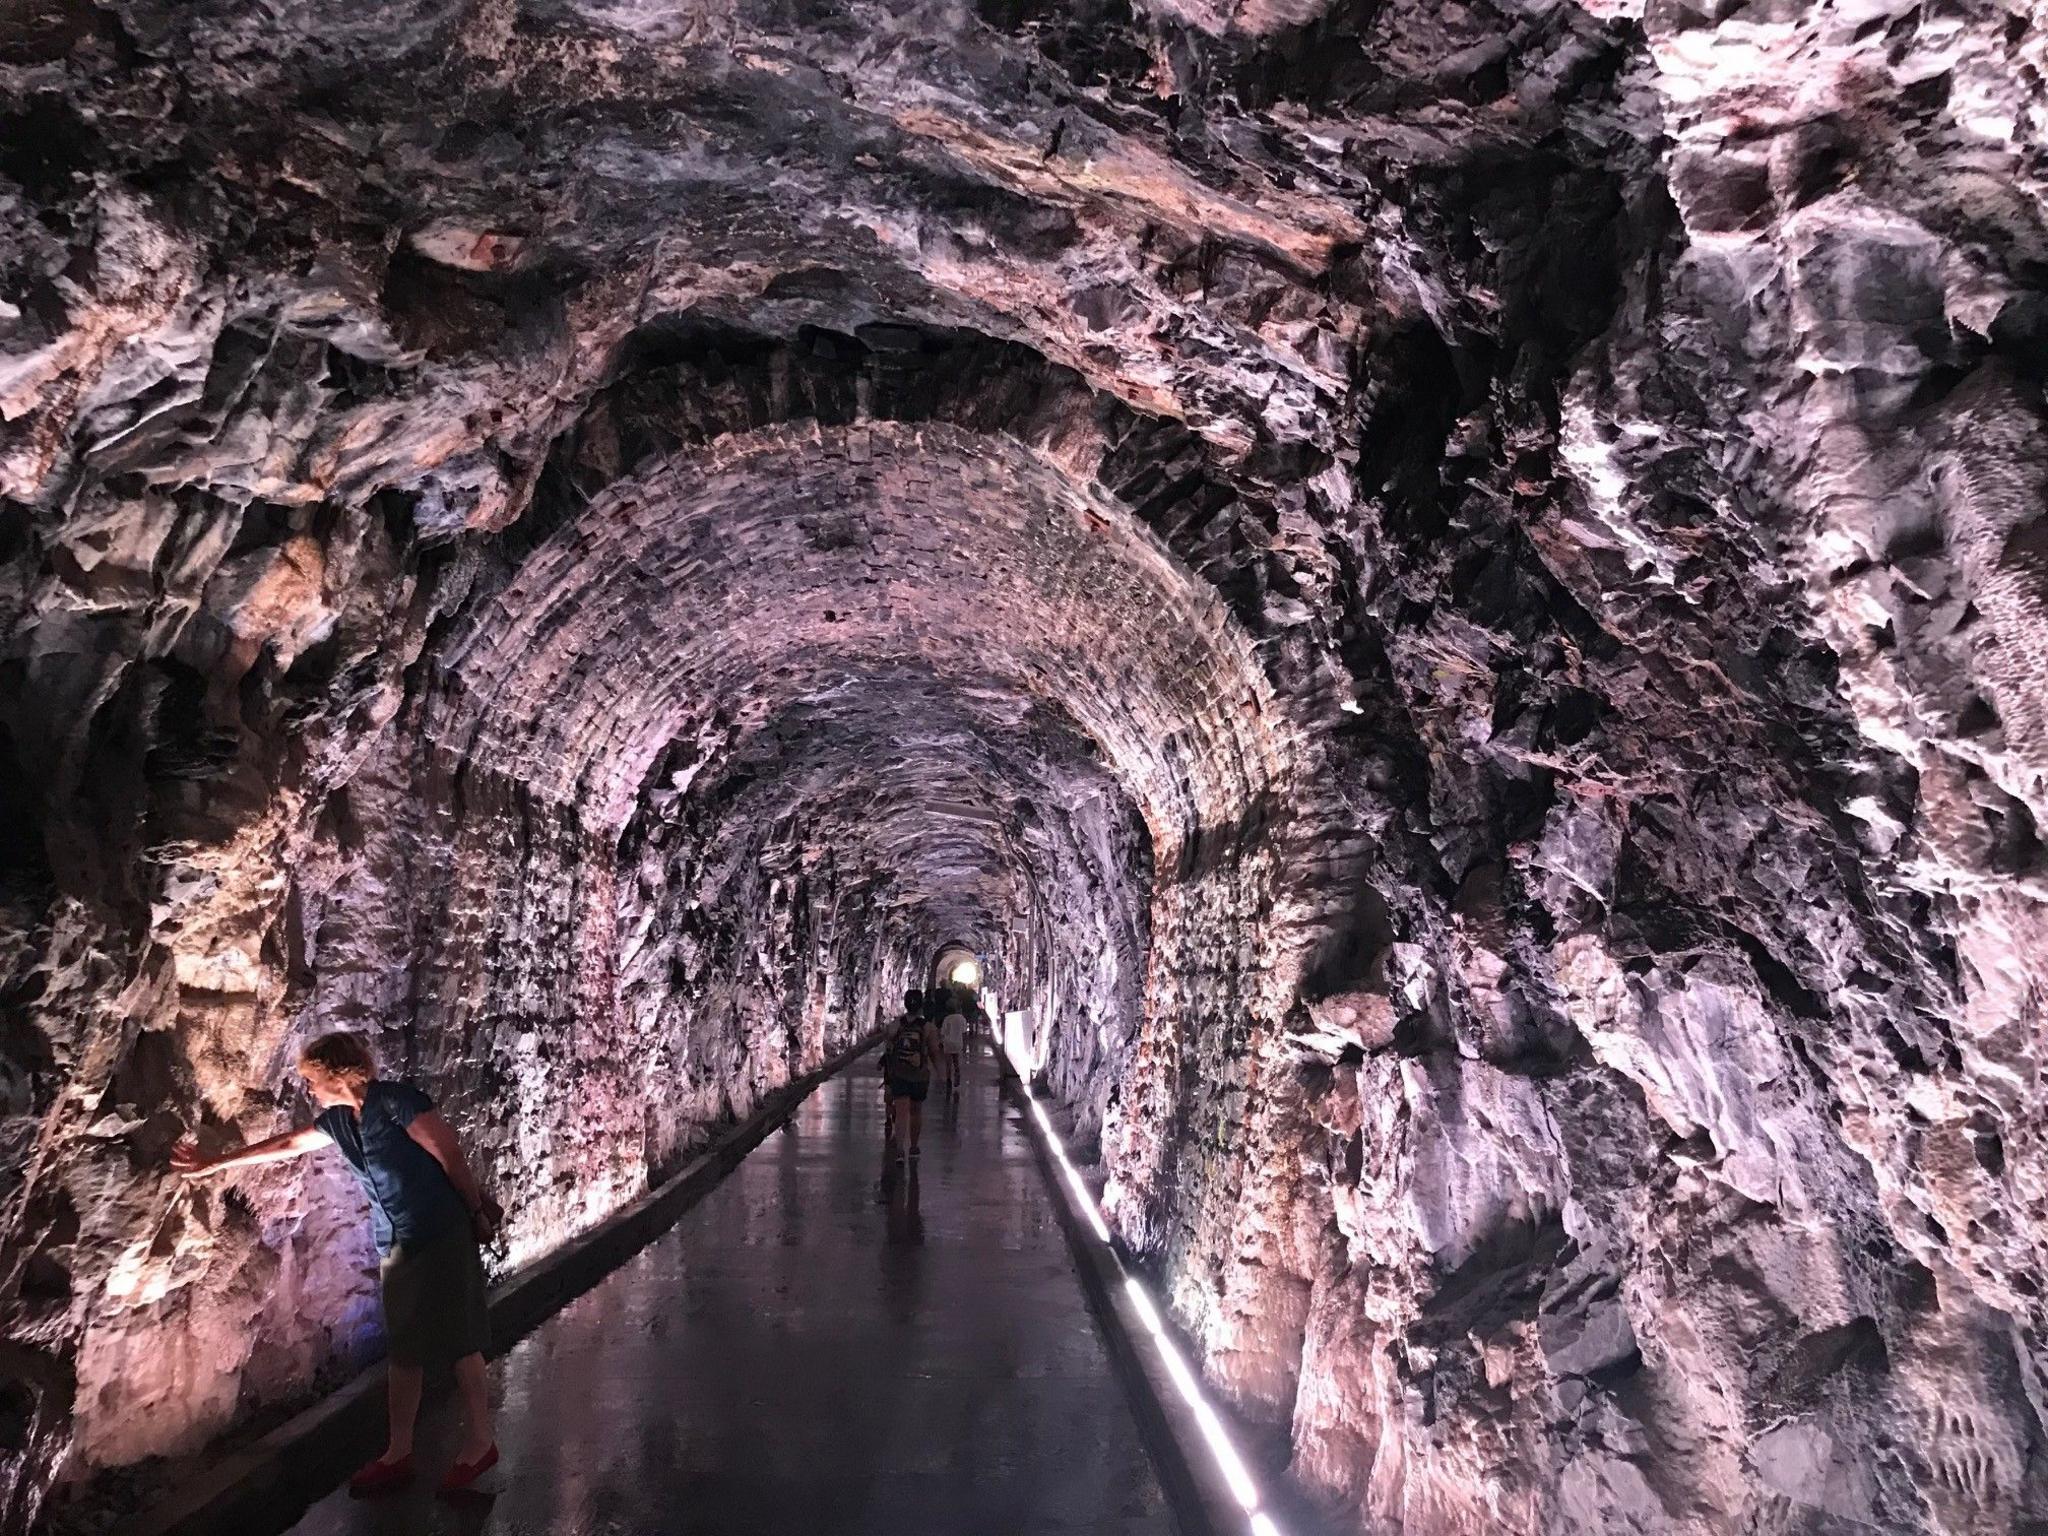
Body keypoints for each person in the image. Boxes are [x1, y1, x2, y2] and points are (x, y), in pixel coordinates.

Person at [171, 1032, 504, 1496]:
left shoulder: (397, 1103)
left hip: (440, 1230)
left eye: (312, 1079)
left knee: (460, 1339)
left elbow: (449, 1157)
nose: (308, 1088)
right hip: (395, 1241)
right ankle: (398, 1451)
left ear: (334, 1074)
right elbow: (289, 1144)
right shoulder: (338, 1122)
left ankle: (480, 1441)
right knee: (405, 1348)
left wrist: (475, 1213)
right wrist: (217, 1162)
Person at [880, 991, 941, 1163]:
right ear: (921, 1005)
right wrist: (941, 1073)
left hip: (899, 1073)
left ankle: (900, 1149)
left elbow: (888, 1047)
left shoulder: (895, 1025)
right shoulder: (928, 1027)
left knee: (901, 1112)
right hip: (919, 1075)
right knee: (916, 1111)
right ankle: (913, 1147)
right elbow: (934, 1052)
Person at [939, 999, 968, 1096]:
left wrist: (941, 1041)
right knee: (956, 1061)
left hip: (948, 1043)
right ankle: (957, 1073)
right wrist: (965, 1044)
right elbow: (964, 1032)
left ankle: (948, 1080)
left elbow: (943, 1032)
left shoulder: (947, 1019)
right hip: (958, 1043)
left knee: (948, 1064)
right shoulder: (961, 1018)